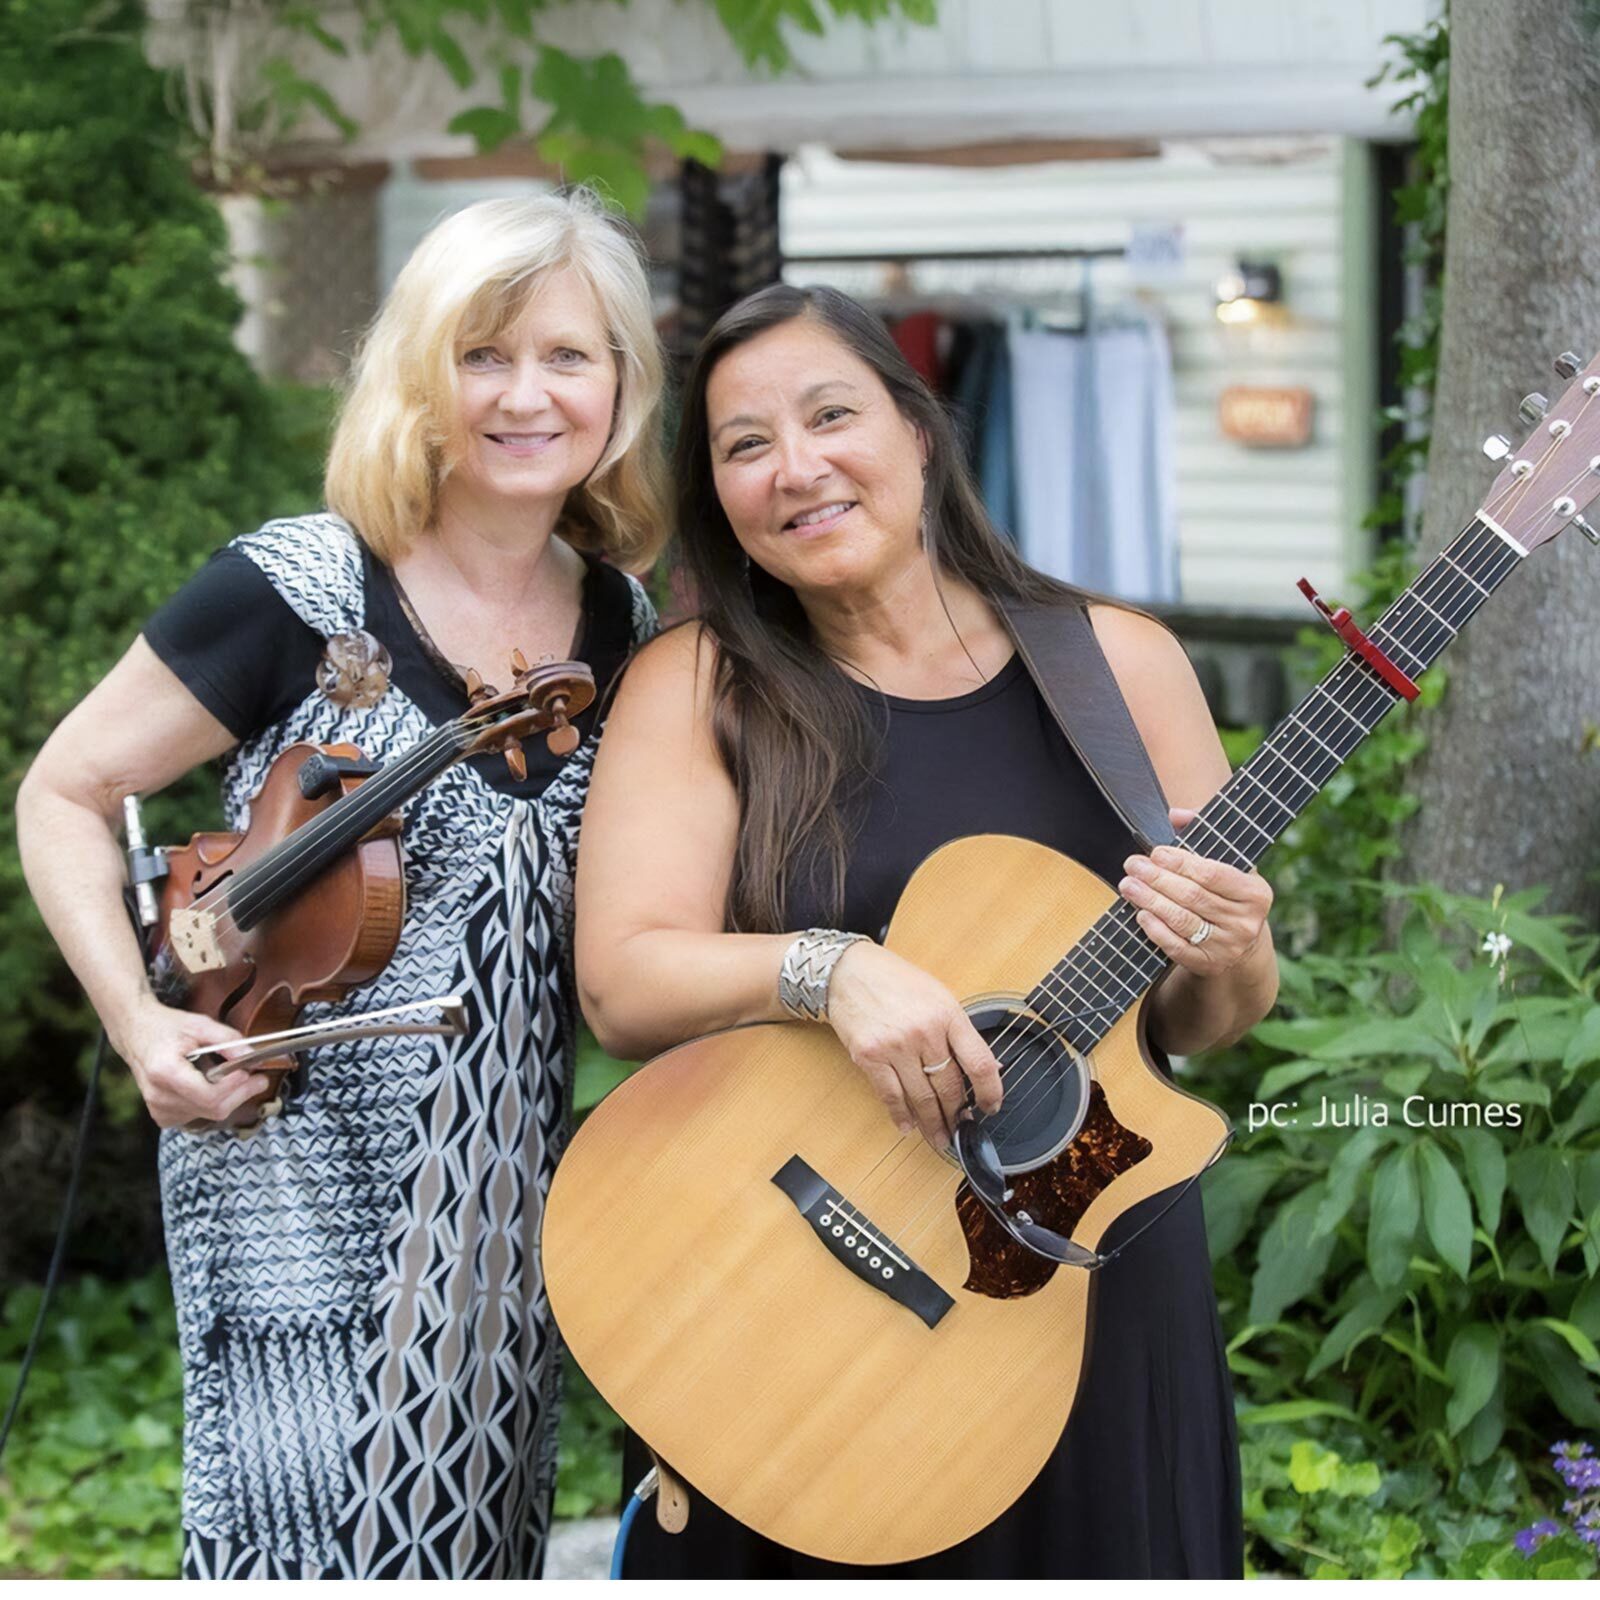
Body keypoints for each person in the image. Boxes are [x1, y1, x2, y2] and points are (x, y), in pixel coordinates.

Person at [573, 283, 1278, 1578]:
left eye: (831, 415)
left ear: (917, 433)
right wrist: (829, 970)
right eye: (744, 446)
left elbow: (1196, 1029)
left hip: (1091, 1287)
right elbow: (621, 983)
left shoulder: (1115, 665)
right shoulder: (701, 687)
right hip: (806, 1305)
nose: (797, 468)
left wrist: (1231, 952)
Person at [15, 190, 665, 1579]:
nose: (527, 395)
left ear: (622, 384)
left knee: (472, 1536)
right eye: (482, 355)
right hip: (281, 1175)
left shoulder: (627, 629)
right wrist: (139, 1024)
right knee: (300, 1543)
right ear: (420, 377)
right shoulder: (296, 586)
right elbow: (65, 791)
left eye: (568, 356)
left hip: (496, 1207)